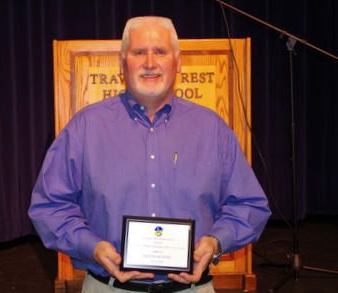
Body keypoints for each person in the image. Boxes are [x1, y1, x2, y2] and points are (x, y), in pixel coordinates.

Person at [28, 16, 271, 293]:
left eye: (160, 52)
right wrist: (92, 248)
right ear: (122, 63)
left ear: (178, 62)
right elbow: (49, 206)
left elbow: (250, 205)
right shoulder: (85, 127)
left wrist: (216, 242)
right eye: (139, 52)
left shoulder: (212, 129)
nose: (150, 62)